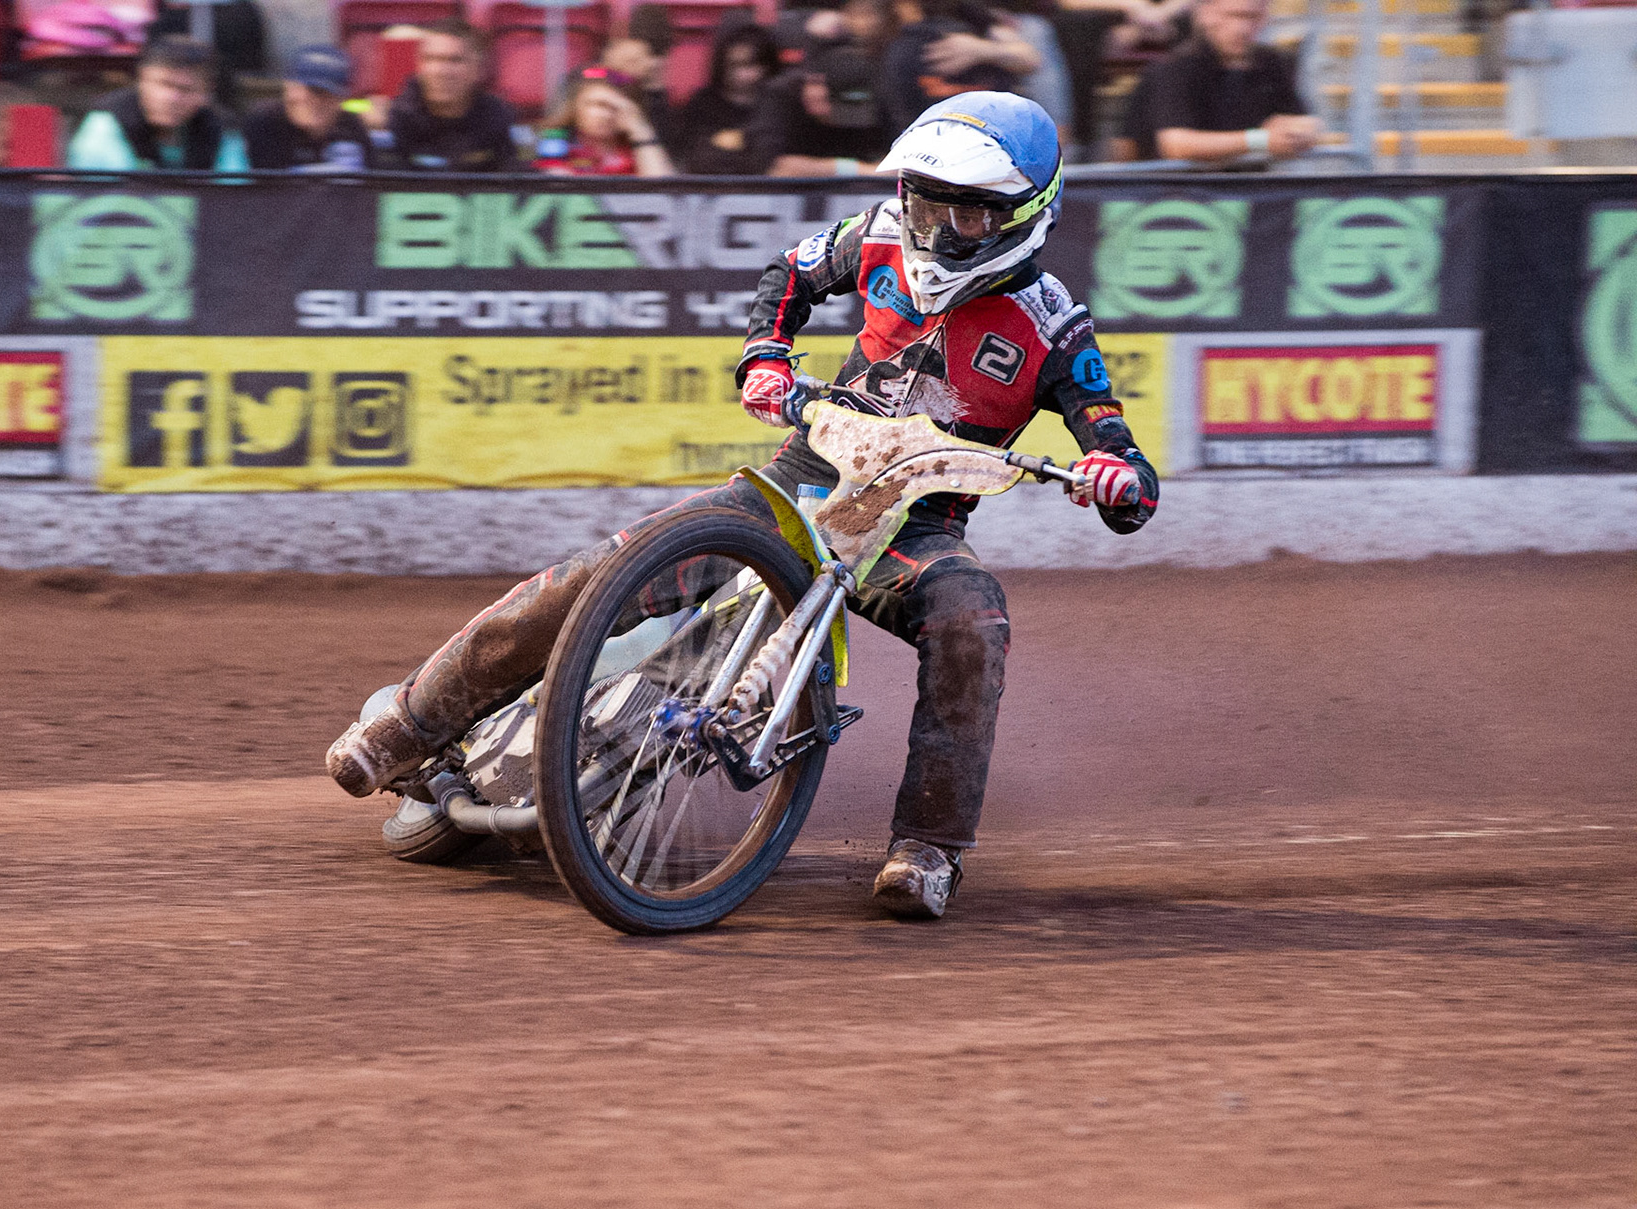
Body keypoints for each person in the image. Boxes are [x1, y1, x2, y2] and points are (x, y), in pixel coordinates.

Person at [327, 92, 1158, 922]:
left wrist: (1114, 479)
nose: (935, 231)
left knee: (973, 620)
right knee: (600, 572)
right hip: (799, 482)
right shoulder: (872, 236)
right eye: (925, 204)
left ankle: (929, 848)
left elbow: (1120, 452)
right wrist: (766, 355)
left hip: (916, 529)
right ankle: (407, 724)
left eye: (964, 217)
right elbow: (790, 275)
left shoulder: (1054, 328)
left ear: (1023, 215)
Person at [1127, 0, 1320, 164]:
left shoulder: (1271, 63)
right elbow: (1176, 144)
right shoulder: (1174, 68)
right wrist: (1261, 140)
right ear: (1206, 14)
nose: (1242, 28)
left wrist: (1301, 132)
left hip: (1247, 190)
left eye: (1252, 17)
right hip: (1178, 195)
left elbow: (1303, 121)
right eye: (1232, 16)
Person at [67, 36, 249, 171]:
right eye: (163, 84)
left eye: (185, 89)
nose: (171, 98)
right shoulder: (106, 123)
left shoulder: (222, 129)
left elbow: (232, 194)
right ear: (142, 80)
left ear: (206, 93)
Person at [372, 19, 525, 173]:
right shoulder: (394, 119)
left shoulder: (496, 119)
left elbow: (514, 182)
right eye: (430, 59)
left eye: (454, 60)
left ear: (479, 69)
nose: (440, 71)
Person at [882, 0, 1040, 133]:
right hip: (925, 131)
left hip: (991, 129)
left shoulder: (978, 21)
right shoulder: (900, 43)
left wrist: (980, 50)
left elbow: (1030, 59)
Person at [746, 43, 891, 177]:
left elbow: (888, 158)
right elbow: (775, 166)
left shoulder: (872, 105)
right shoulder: (780, 97)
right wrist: (853, 169)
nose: (817, 93)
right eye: (814, 82)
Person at [670, 24, 782, 175]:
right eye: (734, 65)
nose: (742, 75)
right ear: (721, 65)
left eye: (751, 65)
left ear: (767, 65)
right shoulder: (702, 103)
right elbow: (694, 157)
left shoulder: (780, 103)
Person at [244, 44, 370, 170]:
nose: (313, 101)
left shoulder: (351, 128)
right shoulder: (265, 125)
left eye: (322, 92)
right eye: (308, 89)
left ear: (341, 99)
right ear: (288, 87)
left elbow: (370, 182)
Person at [532, 67, 675, 176]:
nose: (605, 114)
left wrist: (640, 130)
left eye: (614, 107)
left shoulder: (637, 148)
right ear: (574, 108)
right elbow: (557, 187)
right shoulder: (555, 139)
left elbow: (664, 192)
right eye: (595, 104)